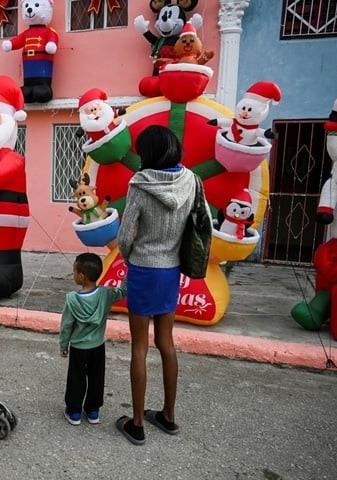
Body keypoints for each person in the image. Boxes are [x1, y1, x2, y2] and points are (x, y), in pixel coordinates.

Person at [115, 125, 206, 445]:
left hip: (143, 270)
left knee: (139, 347)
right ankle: (168, 416)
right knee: (166, 343)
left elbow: (125, 236)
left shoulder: (139, 184)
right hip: (171, 271)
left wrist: (129, 256)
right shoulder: (192, 181)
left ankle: (137, 423)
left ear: (148, 152)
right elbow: (200, 223)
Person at [59, 252, 127, 426]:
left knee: (76, 378)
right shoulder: (105, 294)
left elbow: (66, 325)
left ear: (81, 276)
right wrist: (129, 271)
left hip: (78, 347)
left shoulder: (72, 300)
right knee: (97, 377)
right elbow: (123, 291)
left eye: (74, 271)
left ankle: (74, 412)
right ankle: (93, 411)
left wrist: (63, 345)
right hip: (98, 346)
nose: (73, 274)